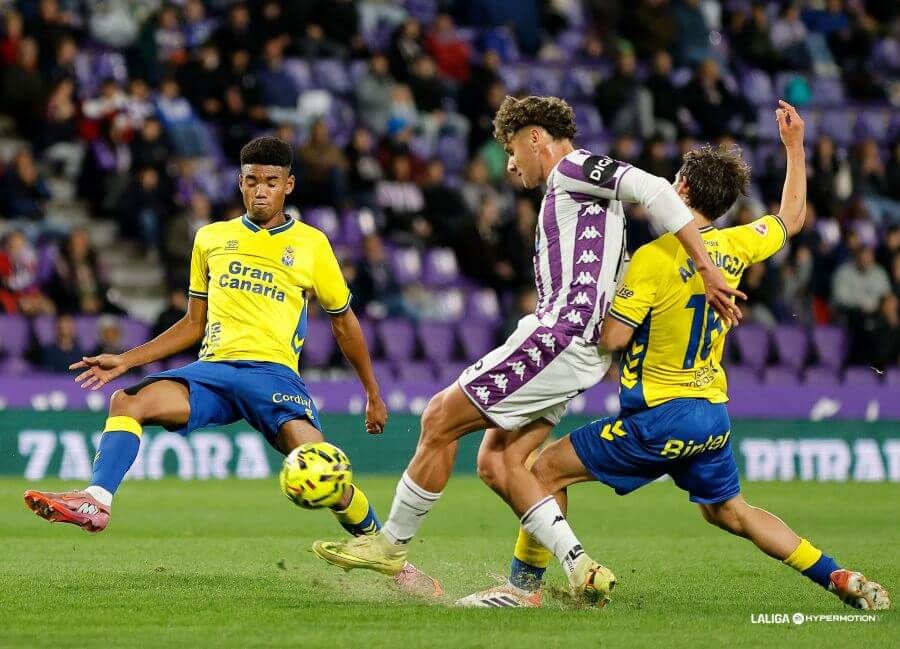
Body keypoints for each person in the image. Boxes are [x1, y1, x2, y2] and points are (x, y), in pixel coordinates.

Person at [459, 102, 891, 611]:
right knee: (731, 512)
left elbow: (614, 340)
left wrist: (583, 312)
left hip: (658, 416)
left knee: (540, 468)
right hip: (710, 413)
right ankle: (836, 575)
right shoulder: (736, 246)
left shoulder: (654, 257)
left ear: (681, 190)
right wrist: (795, 146)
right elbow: (792, 217)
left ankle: (522, 591)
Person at [310, 95, 743, 600]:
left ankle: (391, 545)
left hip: (560, 337)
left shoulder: (574, 167)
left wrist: (706, 266)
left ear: (536, 137)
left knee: (437, 419)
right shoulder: (575, 194)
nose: (511, 164)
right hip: (574, 344)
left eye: (514, 148)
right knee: (500, 462)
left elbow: (653, 189)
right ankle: (578, 567)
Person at [23, 136, 440, 598]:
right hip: (214, 372)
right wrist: (127, 358)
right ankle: (96, 501)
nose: (261, 190)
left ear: (289, 186)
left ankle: (391, 558)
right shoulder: (212, 238)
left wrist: (373, 392)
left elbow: (345, 324)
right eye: (251, 181)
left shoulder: (312, 245)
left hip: (273, 376)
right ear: (240, 184)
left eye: (272, 182)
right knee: (128, 400)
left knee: (320, 466)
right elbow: (192, 323)